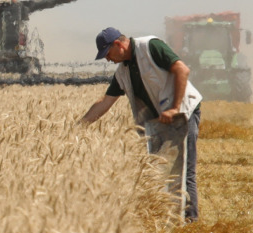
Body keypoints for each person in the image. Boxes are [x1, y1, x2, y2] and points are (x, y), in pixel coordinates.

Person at [80, 27, 202, 222]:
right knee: (159, 172)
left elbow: (182, 70)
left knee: (184, 168)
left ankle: (189, 222)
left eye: (107, 54)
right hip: (158, 123)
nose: (107, 59)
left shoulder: (150, 46)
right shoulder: (123, 72)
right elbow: (105, 101)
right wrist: (80, 126)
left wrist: (174, 108)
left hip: (182, 113)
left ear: (118, 45)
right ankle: (168, 219)